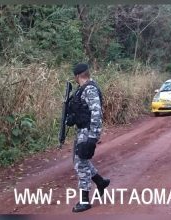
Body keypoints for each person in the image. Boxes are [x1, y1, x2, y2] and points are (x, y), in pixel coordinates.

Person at [68, 63, 110, 212]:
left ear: (78, 76)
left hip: (87, 131)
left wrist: (93, 137)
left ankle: (85, 200)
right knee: (80, 161)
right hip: (82, 130)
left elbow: (96, 113)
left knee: (81, 164)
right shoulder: (81, 90)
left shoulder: (90, 89)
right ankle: (100, 182)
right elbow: (81, 110)